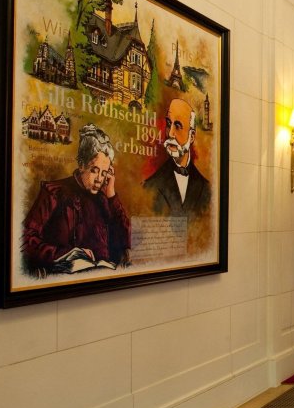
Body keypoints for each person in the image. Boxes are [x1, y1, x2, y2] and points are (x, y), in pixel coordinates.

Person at [21, 124, 131, 276]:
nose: (99, 179)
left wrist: (111, 194)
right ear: (81, 165)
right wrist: (63, 254)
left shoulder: (104, 199)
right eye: (94, 170)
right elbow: (25, 239)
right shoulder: (54, 192)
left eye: (104, 173)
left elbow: (125, 241)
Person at [144, 97, 210, 217]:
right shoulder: (150, 186)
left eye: (178, 126)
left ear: (192, 136)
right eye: (169, 124)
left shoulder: (207, 188)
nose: (170, 133)